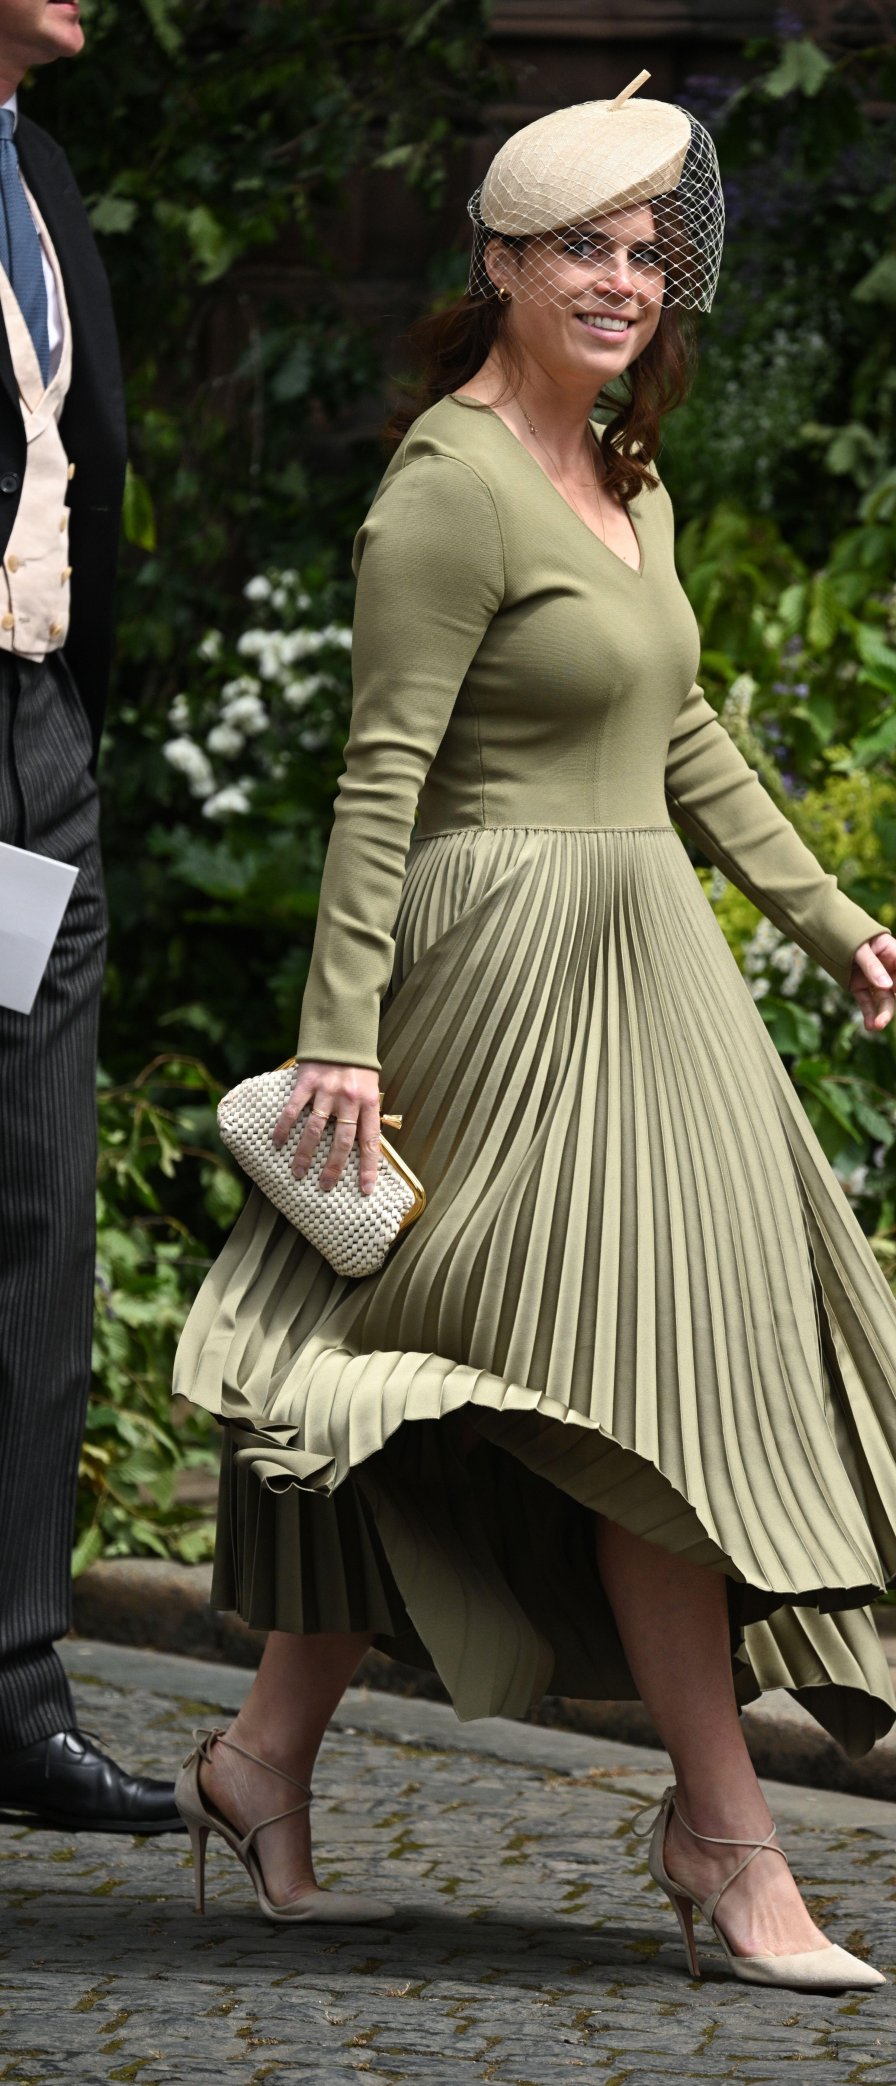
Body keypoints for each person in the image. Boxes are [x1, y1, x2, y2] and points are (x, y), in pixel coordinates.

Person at [173, 76, 896, 1980]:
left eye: (646, 250)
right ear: (502, 265)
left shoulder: (629, 478)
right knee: (627, 1394)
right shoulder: (445, 492)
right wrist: (341, 1042)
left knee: (550, 1378)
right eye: (583, 249)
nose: (625, 281)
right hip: (494, 980)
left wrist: (831, 914)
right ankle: (724, 1837)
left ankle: (262, 1753)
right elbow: (380, 785)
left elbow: (680, 732)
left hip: (655, 975)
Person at [0, 0, 181, 1835]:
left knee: (39, 1200)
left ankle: (11, 1676)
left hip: (33, 750)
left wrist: (63, 739)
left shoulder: (38, 174)